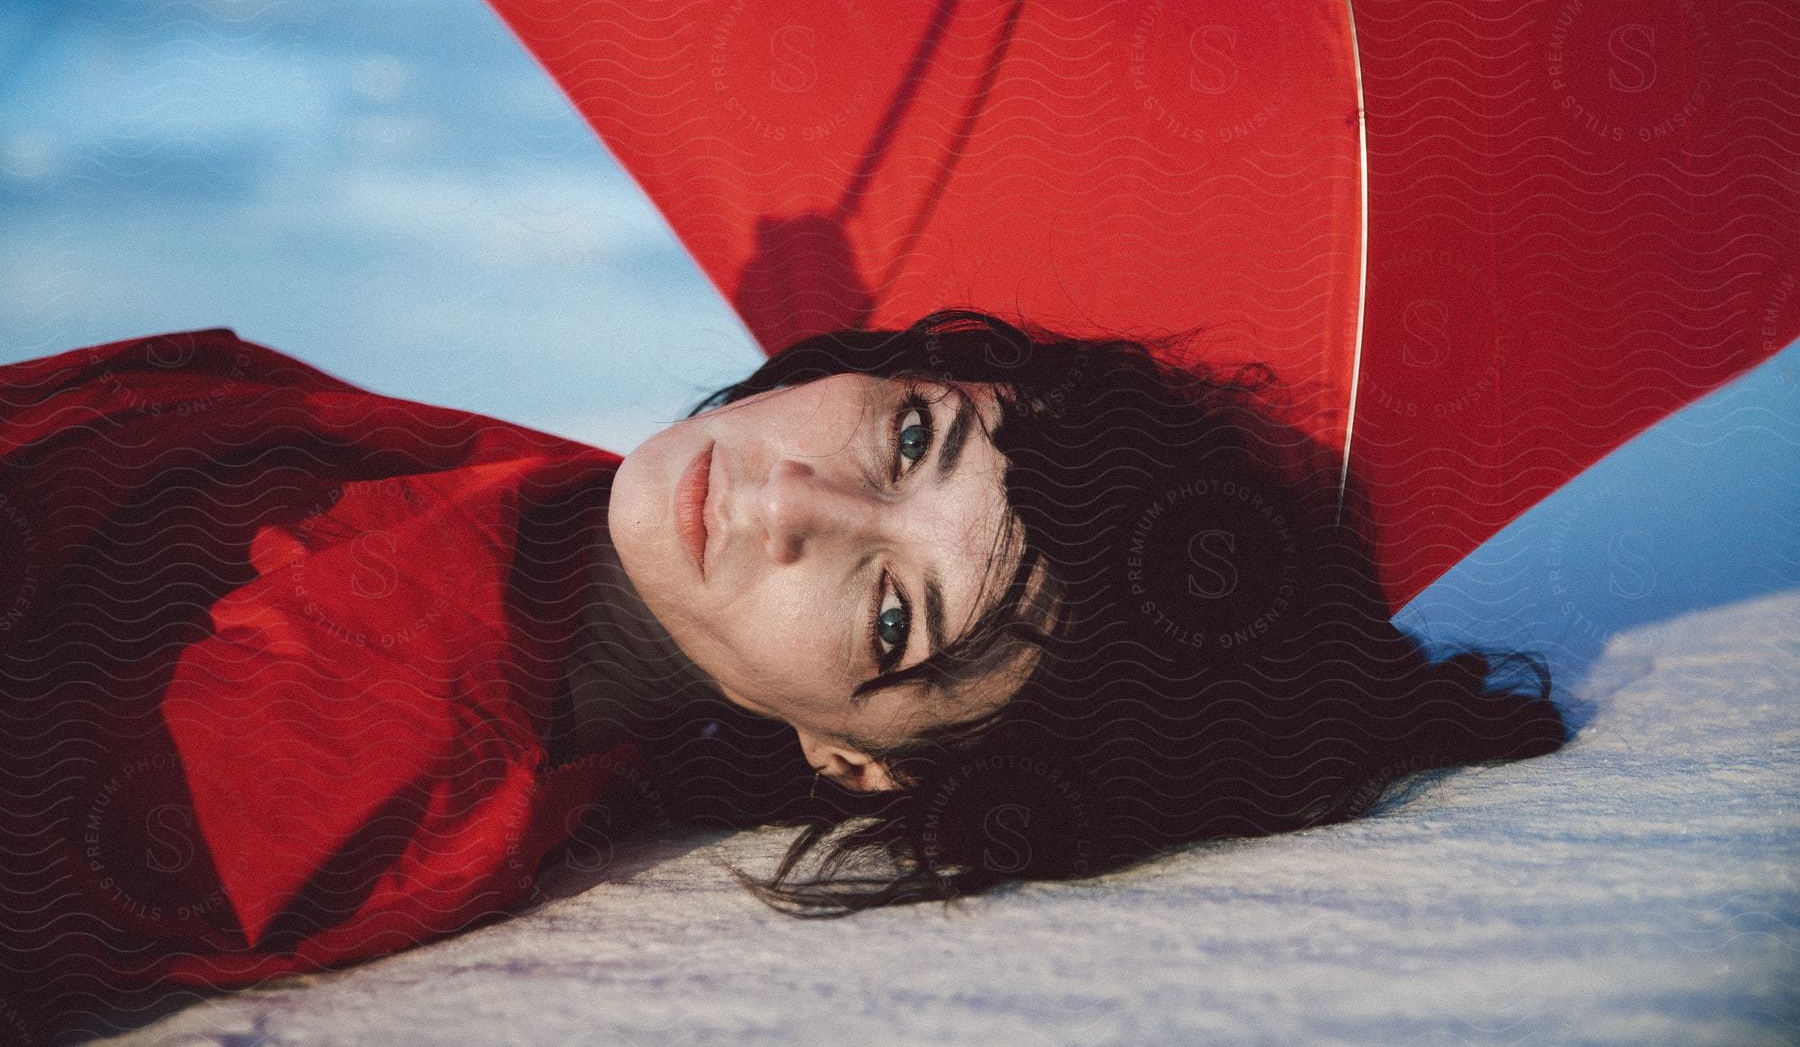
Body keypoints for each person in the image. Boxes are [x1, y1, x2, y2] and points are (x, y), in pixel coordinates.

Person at [0, 309, 1567, 1035]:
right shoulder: (524, 511)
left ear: (861, 763)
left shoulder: (366, 729)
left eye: (897, 622)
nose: (795, 504)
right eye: (906, 435)